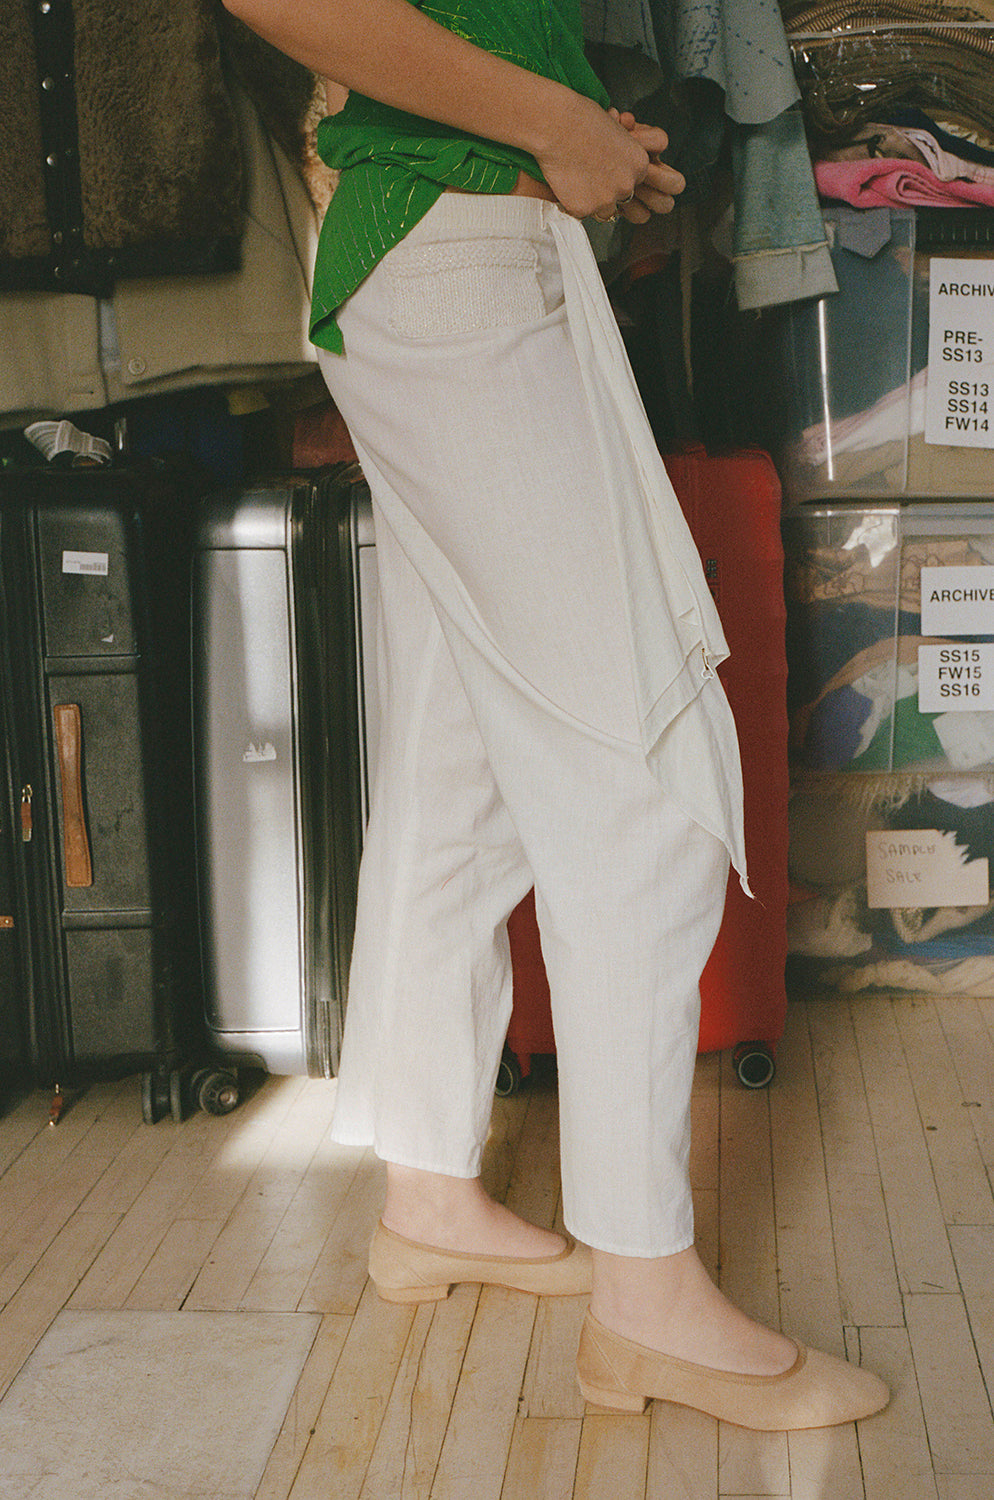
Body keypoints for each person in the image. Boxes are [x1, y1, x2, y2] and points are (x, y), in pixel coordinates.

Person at [221, 0, 888, 1428]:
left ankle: (428, 1195)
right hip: (456, 261)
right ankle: (644, 1302)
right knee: (642, 780)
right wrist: (552, 124)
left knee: (459, 762)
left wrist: (576, 124)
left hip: (434, 252)